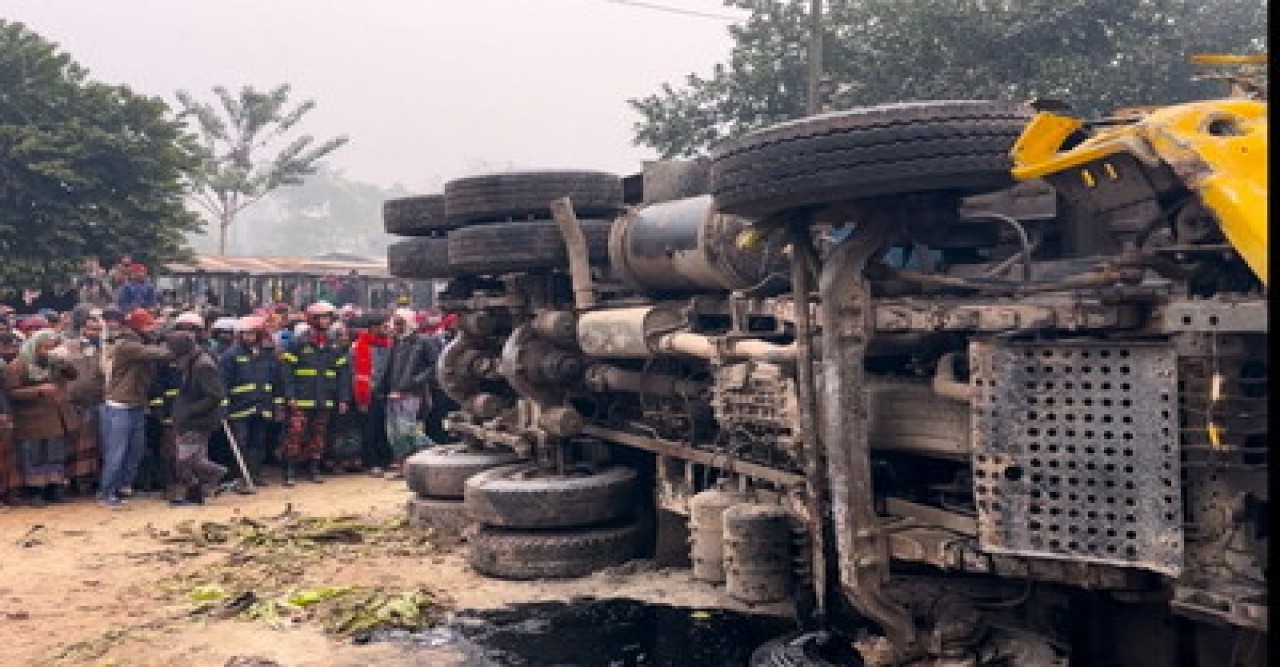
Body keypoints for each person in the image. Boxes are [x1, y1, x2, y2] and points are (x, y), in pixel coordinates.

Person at [98, 308, 171, 507]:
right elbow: (157, 354)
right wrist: (178, 348)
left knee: (135, 451)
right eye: (148, 325)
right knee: (117, 453)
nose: (153, 329)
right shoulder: (127, 345)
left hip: (136, 403)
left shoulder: (137, 342)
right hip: (119, 405)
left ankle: (123, 487)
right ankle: (107, 492)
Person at [4, 330, 79, 506]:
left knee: (55, 454)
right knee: (34, 456)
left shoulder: (54, 363)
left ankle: (54, 488)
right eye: (45, 348)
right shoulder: (19, 365)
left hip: (56, 418)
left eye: (52, 347)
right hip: (32, 420)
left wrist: (63, 361)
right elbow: (12, 393)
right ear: (35, 346)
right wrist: (38, 390)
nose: (48, 351)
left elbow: (73, 375)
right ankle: (35, 491)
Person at [279, 301, 350, 485]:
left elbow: (343, 374)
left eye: (327, 318)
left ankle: (314, 468)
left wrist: (343, 399)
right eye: (321, 318)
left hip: (325, 399)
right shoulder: (297, 343)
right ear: (312, 319)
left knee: (319, 435)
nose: (325, 322)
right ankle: (290, 470)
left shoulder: (334, 345)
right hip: (301, 399)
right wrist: (290, 396)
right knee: (295, 434)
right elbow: (287, 372)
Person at [219, 315, 282, 492]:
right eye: (246, 334)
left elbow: (276, 382)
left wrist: (278, 405)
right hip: (239, 408)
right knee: (240, 442)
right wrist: (223, 406)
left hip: (262, 407)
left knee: (258, 443)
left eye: (253, 333)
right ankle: (240, 476)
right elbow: (223, 383)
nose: (249, 337)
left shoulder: (267, 355)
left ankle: (254, 474)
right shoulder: (230, 355)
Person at [165, 332, 227, 506]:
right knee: (192, 458)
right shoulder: (192, 361)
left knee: (185, 460)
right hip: (191, 419)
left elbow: (215, 395)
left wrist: (190, 411)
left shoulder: (203, 365)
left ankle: (217, 473)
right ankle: (194, 495)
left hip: (197, 421)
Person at [376, 308, 434, 478]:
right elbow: (389, 368)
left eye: (399, 323)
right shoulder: (396, 342)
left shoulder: (422, 342)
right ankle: (404, 468)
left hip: (412, 394)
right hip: (393, 394)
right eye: (395, 323)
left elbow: (434, 366)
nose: (396, 327)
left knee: (407, 431)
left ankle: (430, 457)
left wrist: (415, 381)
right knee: (394, 434)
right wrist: (382, 389)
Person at [60, 314, 106, 496]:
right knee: (72, 446)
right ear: (82, 329)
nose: (95, 332)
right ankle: (72, 483)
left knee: (94, 446)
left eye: (98, 329)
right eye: (91, 329)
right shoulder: (67, 348)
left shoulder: (103, 349)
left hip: (97, 403)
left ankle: (89, 482)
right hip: (73, 405)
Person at [349, 315, 391, 474]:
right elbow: (353, 372)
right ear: (373, 328)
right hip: (366, 393)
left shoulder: (388, 345)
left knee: (382, 428)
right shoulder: (357, 347)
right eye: (383, 326)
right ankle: (371, 462)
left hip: (385, 393)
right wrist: (361, 395)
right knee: (369, 429)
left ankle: (385, 459)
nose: (386, 329)